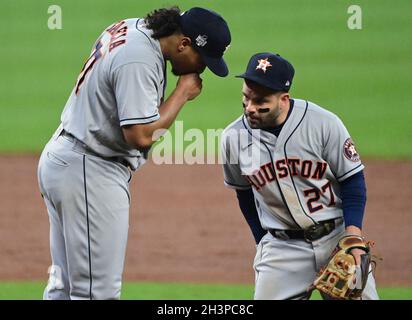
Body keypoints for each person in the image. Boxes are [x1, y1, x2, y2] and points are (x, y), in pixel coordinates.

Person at [37, 6, 231, 300]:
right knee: (97, 294)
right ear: (184, 43)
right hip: (91, 171)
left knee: (64, 288)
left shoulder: (133, 27)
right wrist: (182, 94)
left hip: (67, 159)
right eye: (202, 60)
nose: (201, 68)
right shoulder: (139, 59)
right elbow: (140, 136)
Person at [221, 52, 378, 300]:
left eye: (260, 101)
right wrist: (261, 241)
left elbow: (352, 180)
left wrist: (353, 236)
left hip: (337, 241)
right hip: (280, 249)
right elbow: (244, 193)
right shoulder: (233, 138)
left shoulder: (323, 124)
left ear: (284, 99)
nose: (250, 108)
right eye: (246, 97)